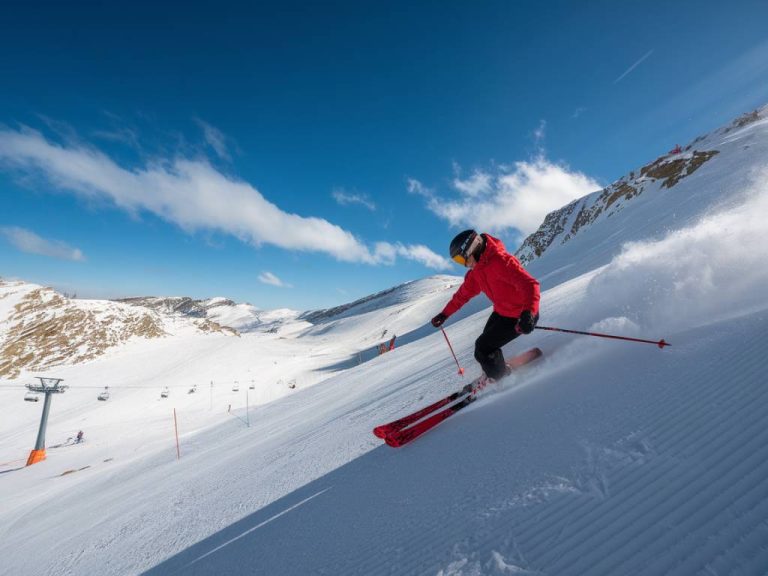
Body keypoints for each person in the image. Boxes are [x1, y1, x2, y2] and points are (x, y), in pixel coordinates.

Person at [431, 229, 540, 381]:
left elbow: (530, 285)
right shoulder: (477, 271)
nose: (464, 265)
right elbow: (462, 295)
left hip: (521, 315)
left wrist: (529, 313)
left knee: (483, 348)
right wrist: (445, 314)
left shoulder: (501, 262)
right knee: (486, 346)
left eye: (462, 260)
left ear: (472, 249)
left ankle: (500, 379)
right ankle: (497, 370)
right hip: (502, 313)